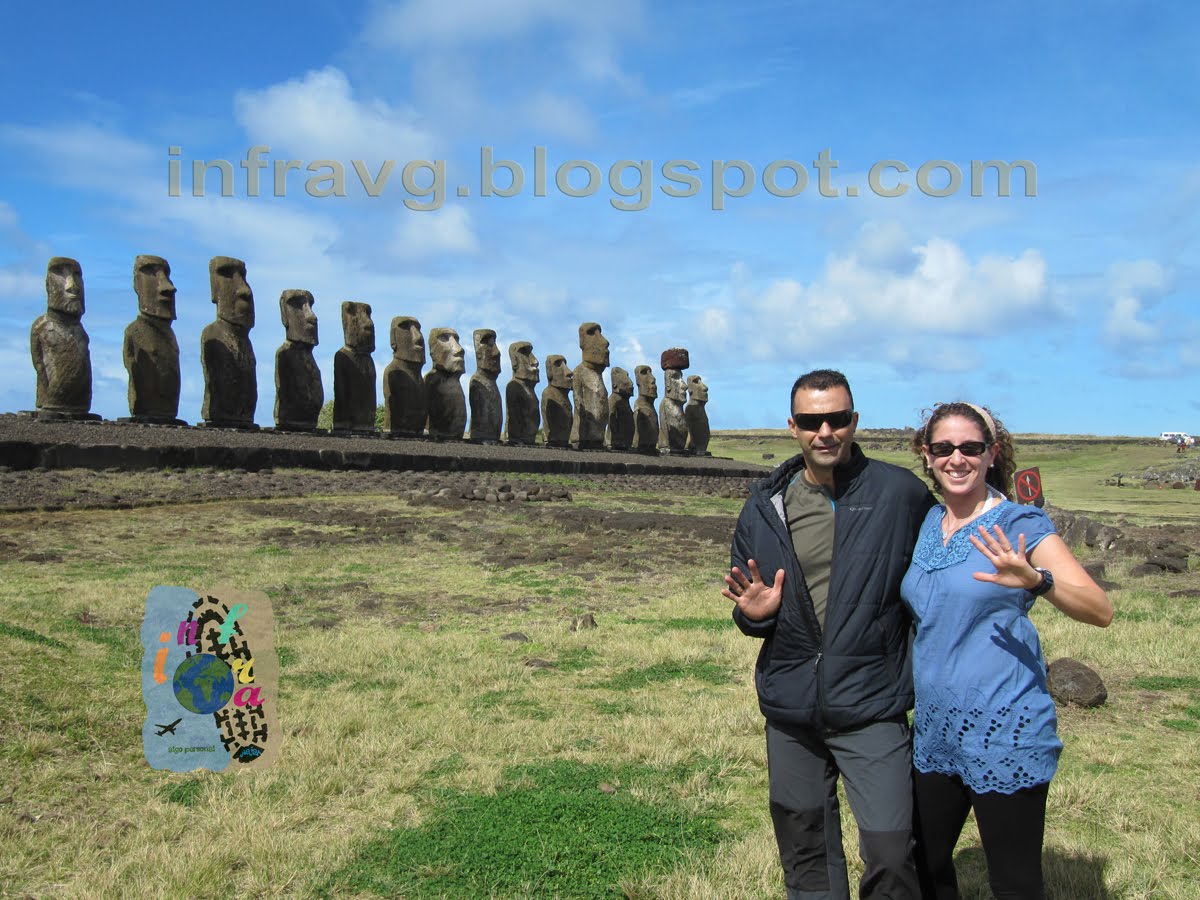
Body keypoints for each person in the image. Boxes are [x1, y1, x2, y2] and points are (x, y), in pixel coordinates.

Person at [722, 369, 934, 900]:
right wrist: (755, 615)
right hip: (792, 708)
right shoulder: (765, 506)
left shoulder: (900, 494)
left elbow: (948, 553)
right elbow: (749, 606)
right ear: (793, 426)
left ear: (854, 421)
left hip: (871, 704)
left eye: (836, 419)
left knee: (890, 853)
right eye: (813, 421)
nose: (825, 432)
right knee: (806, 855)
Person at [902, 402, 1113, 899]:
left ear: (992, 453)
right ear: (926, 455)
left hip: (1004, 727)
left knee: (1014, 883)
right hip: (935, 729)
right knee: (923, 864)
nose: (958, 458)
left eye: (971, 448)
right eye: (943, 448)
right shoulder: (929, 522)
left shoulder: (1021, 523)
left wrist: (1037, 581)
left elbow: (1098, 609)